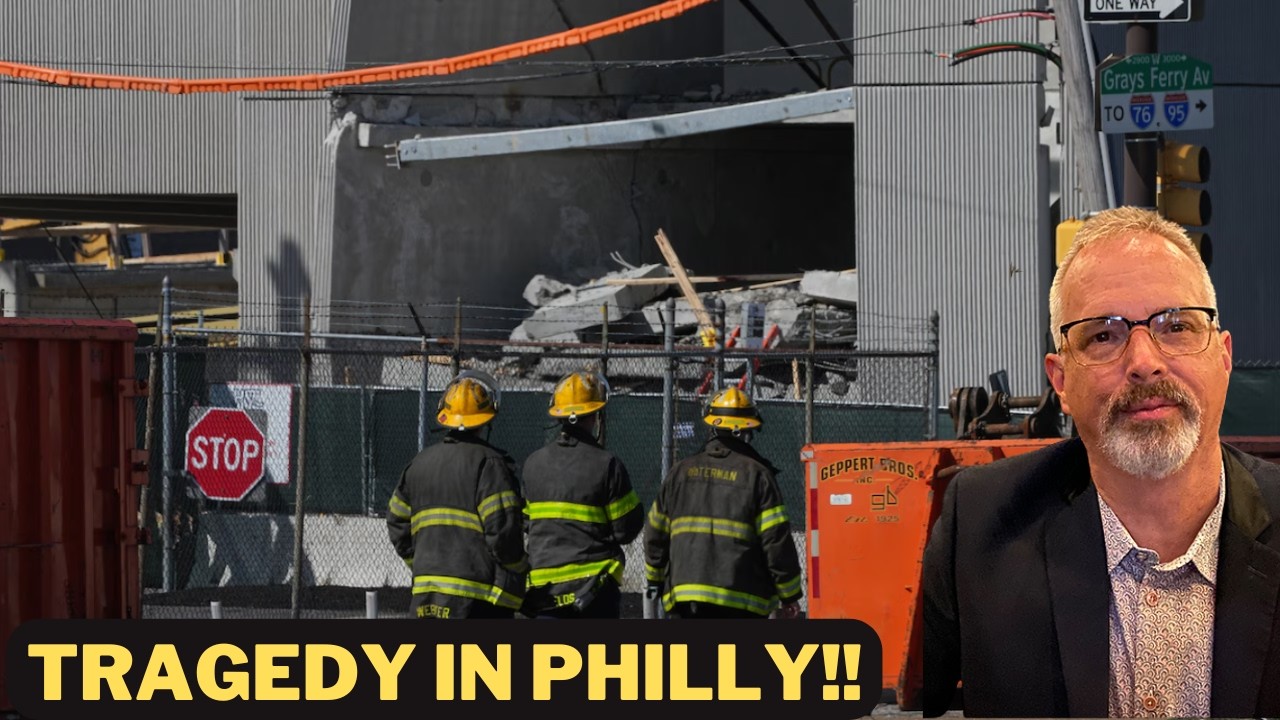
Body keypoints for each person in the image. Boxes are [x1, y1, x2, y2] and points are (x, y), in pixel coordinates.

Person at [923, 206, 1280, 718]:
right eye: (1103, 335)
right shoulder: (979, 530)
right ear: (1061, 380)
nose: (1143, 362)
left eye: (1176, 325)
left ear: (1223, 358)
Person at [643, 386, 803, 619]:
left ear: (712, 427)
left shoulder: (680, 472)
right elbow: (776, 543)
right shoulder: (758, 476)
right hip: (741, 602)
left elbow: (654, 533)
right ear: (747, 431)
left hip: (686, 602)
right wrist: (789, 595)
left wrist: (654, 582)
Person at [386, 369, 528, 619]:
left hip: (425, 596)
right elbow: (503, 534)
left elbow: (397, 522)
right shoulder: (490, 465)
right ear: (486, 419)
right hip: (475, 601)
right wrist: (519, 567)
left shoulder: (418, 463)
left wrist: (420, 563)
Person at [520, 369, 643, 619]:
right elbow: (626, 530)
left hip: (543, 593)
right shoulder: (607, 464)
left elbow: (525, 523)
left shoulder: (533, 464)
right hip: (594, 593)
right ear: (595, 415)